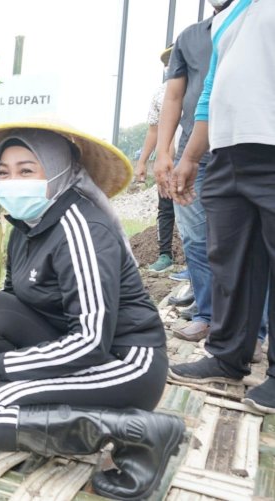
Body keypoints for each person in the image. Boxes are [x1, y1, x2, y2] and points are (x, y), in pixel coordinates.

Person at [0, 120, 184, 500]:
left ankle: (139, 433)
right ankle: (53, 395)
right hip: (81, 354)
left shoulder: (81, 228)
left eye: (27, 170)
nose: (13, 181)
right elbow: (10, 307)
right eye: (4, 173)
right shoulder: (26, 229)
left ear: (60, 171)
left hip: (125, 365)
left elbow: (93, 341)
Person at [168, 0, 275, 414]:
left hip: (270, 143)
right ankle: (228, 357)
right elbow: (212, 89)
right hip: (226, 151)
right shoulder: (224, 21)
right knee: (230, 259)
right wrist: (192, 156)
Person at [153, 3, 230, 343]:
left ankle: (252, 329)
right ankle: (207, 314)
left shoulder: (255, 25)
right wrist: (164, 151)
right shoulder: (190, 37)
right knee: (197, 238)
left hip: (240, 149)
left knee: (243, 241)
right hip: (192, 157)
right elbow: (174, 96)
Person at [136, 45, 177, 275]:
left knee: (196, 213)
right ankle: (165, 254)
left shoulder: (198, 85)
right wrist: (143, 161)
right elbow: (154, 129)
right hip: (166, 162)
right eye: (167, 62)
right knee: (166, 208)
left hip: (192, 160)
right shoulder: (161, 93)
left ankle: (195, 263)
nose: (169, 65)